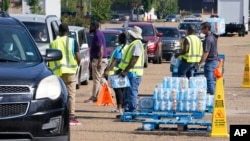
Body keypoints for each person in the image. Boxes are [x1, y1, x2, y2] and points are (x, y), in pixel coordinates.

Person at [48, 23, 81, 125]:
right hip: (70, 72)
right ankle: (71, 116)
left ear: (59, 31)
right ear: (68, 31)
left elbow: (49, 59)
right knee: (71, 95)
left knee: (58, 95)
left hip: (57, 73)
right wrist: (77, 66)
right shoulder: (72, 42)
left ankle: (58, 114)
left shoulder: (53, 43)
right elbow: (78, 56)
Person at [116, 26, 144, 114]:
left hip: (134, 73)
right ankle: (128, 111)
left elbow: (134, 59)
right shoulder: (133, 44)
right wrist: (121, 69)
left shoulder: (137, 44)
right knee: (127, 93)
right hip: (130, 73)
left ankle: (133, 111)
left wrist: (126, 71)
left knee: (132, 93)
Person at [84, 21, 108, 103]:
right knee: (100, 78)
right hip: (100, 59)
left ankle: (94, 97)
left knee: (96, 80)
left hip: (99, 59)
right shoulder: (99, 34)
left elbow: (101, 49)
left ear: (94, 27)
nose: (90, 27)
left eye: (91, 26)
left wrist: (99, 62)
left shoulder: (97, 35)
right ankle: (108, 92)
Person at [104, 33, 128, 114]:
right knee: (123, 90)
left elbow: (116, 60)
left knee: (118, 90)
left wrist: (108, 70)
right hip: (124, 71)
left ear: (120, 39)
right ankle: (122, 106)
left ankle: (119, 107)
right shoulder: (127, 48)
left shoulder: (119, 49)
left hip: (117, 71)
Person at [196, 22, 219, 95]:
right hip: (215, 61)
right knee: (213, 81)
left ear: (206, 28)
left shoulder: (208, 39)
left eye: (202, 28)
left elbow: (206, 53)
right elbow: (218, 34)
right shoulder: (213, 36)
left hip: (210, 62)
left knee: (209, 81)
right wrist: (216, 26)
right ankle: (215, 96)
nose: (201, 30)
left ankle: (213, 98)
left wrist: (200, 63)